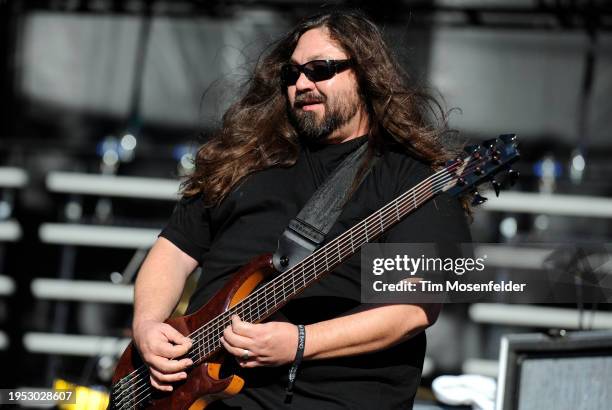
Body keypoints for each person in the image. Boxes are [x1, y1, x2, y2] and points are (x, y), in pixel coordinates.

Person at [132, 10, 471, 409]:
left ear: (365, 74)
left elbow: (411, 309)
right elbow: (174, 250)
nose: (302, 84)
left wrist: (300, 343)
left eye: (320, 69)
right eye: (292, 74)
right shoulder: (247, 157)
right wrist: (148, 325)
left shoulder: (408, 180)